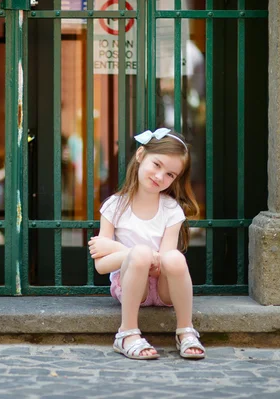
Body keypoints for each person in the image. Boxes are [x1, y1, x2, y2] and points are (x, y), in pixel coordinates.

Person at [88, 127, 205, 360]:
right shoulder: (114, 207)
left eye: (170, 174)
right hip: (131, 286)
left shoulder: (171, 209)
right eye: (157, 165)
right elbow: (101, 266)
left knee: (175, 258)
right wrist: (134, 254)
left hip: (164, 288)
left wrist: (121, 250)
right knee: (140, 255)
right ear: (141, 155)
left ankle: (185, 330)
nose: (160, 177)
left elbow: (165, 258)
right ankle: (127, 333)